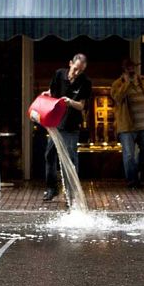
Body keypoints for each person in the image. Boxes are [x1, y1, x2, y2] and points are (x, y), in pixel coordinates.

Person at [43, 53, 92, 202]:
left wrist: (70, 102)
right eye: (75, 69)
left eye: (81, 70)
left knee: (70, 159)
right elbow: (52, 93)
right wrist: (46, 96)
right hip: (56, 123)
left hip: (71, 125)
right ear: (70, 63)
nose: (77, 73)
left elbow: (81, 106)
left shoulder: (85, 82)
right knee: (49, 155)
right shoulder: (59, 74)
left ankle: (71, 193)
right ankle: (52, 188)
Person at [111, 58, 144, 188]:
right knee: (128, 155)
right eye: (129, 68)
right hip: (127, 127)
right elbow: (117, 98)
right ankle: (132, 181)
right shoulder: (117, 84)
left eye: (133, 67)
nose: (132, 70)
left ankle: (139, 174)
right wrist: (127, 83)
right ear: (124, 70)